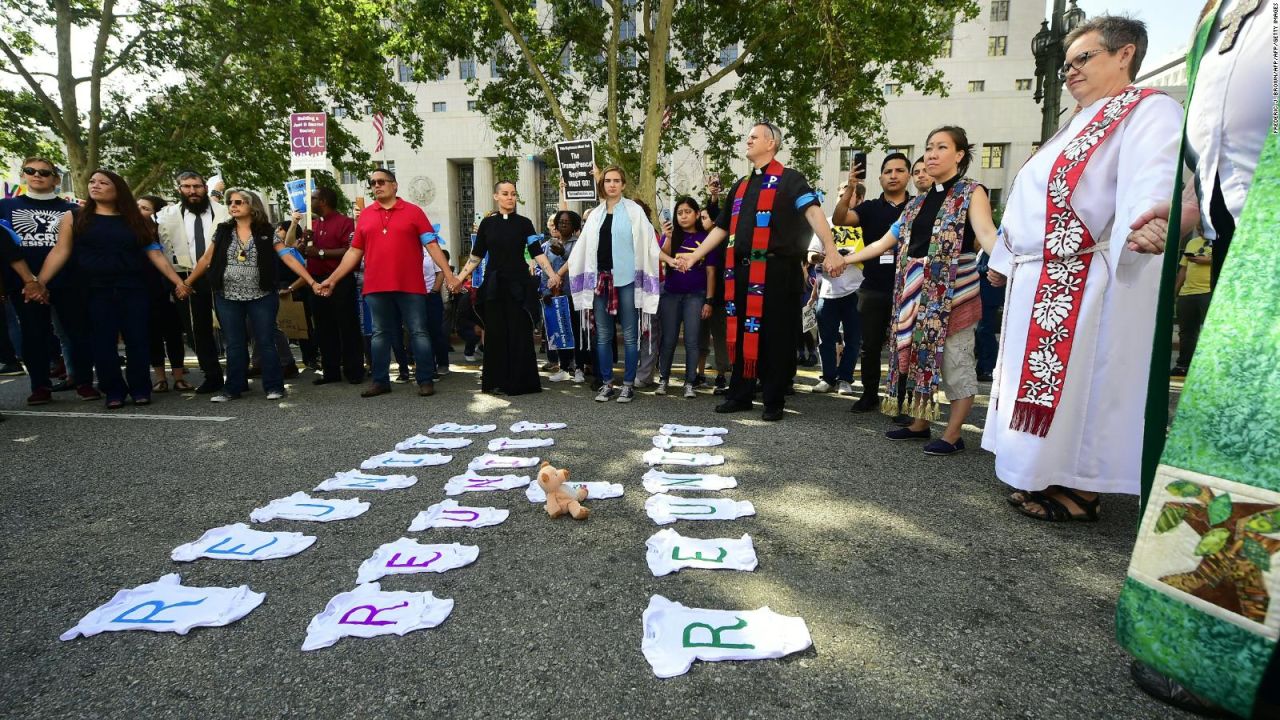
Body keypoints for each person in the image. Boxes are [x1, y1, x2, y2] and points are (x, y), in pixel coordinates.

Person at [1115, 3, 1280, 716]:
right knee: (1235, 453)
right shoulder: (1218, 18)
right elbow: (1219, 164)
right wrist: (1181, 214)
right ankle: (1224, 643)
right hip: (1240, 251)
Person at [981, 16, 1183, 517]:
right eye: (1066, 63)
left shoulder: (1146, 110)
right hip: (1040, 272)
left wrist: (1150, 220)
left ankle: (1082, 488)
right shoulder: (1074, 123)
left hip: (1085, 273)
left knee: (1083, 385)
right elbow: (1032, 197)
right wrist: (1006, 256)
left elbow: (1154, 171)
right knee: (1043, 384)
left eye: (1083, 59)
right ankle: (1042, 475)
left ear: (1125, 54)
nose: (1069, 71)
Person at [675, 123, 847, 421]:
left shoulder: (791, 180)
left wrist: (831, 249)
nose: (748, 140)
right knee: (741, 332)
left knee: (776, 337)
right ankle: (740, 394)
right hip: (741, 272)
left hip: (778, 271)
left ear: (771, 143)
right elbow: (721, 228)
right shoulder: (740, 186)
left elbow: (813, 212)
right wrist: (694, 258)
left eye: (754, 137)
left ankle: (773, 399)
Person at [843, 126, 999, 453]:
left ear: (959, 155)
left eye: (941, 147)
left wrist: (1005, 264)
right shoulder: (916, 204)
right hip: (915, 292)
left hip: (954, 291)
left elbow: (987, 235)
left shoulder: (972, 192)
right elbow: (884, 242)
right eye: (929, 147)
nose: (931, 154)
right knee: (917, 358)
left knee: (955, 361)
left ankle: (953, 435)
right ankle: (919, 423)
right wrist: (844, 260)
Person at [33, 170, 190, 408]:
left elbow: (154, 252)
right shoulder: (74, 217)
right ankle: (113, 390)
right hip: (93, 289)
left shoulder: (133, 219)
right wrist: (39, 282)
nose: (95, 186)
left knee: (138, 339)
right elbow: (60, 251)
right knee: (102, 342)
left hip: (133, 287)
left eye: (103, 182)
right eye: (92, 182)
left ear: (118, 190)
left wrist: (178, 282)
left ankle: (140, 388)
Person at [319, 167, 458, 398]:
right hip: (375, 286)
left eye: (382, 181)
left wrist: (449, 275)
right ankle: (380, 380)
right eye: (372, 183)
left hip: (410, 284)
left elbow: (431, 245)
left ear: (395, 185)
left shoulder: (414, 212)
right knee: (380, 334)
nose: (377, 185)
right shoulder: (365, 215)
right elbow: (354, 252)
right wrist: (332, 280)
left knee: (418, 332)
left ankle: (425, 379)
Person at [182, 189, 321, 402]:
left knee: (265, 340)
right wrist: (186, 284)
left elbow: (287, 257)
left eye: (239, 202)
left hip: (262, 296)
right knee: (234, 343)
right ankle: (233, 388)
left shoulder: (266, 231)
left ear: (251, 206)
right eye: (230, 202)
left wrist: (311, 281)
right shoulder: (223, 231)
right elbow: (206, 259)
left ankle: (274, 387)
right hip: (227, 296)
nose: (233, 205)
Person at [0, 157, 99, 405]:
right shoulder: (5, 207)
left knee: (77, 334)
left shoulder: (74, 209)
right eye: (31, 171)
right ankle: (40, 386)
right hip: (25, 285)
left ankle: (84, 382)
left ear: (55, 179)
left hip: (69, 282)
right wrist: (30, 281)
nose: (37, 175)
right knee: (34, 335)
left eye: (45, 172)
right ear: (23, 175)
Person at [450, 181, 561, 395]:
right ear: (496, 197)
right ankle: (496, 381)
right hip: (494, 285)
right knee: (496, 333)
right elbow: (476, 255)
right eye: (505, 193)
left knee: (520, 331)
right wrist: (459, 278)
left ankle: (522, 382)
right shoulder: (487, 225)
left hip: (518, 283)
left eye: (513, 194)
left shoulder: (525, 223)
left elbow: (537, 252)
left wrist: (552, 274)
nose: (510, 197)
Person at [568, 165, 661, 404]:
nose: (612, 184)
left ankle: (628, 385)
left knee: (630, 335)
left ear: (623, 184)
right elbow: (580, 249)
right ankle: (607, 384)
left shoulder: (634, 211)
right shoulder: (595, 215)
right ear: (602, 184)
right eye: (607, 180)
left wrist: (671, 259)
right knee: (603, 336)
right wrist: (556, 273)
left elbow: (650, 243)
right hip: (601, 280)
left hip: (627, 280)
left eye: (617, 180)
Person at [831, 152, 913, 413]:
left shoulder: (918, 206)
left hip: (909, 287)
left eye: (899, 170)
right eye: (888, 171)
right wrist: (850, 188)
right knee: (870, 346)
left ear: (908, 175)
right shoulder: (869, 208)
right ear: (880, 177)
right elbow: (839, 219)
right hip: (873, 287)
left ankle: (901, 397)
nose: (893, 175)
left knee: (905, 346)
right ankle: (869, 394)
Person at [156, 171, 229, 394]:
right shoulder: (167, 216)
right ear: (179, 189)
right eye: (186, 186)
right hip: (185, 278)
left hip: (220, 275)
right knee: (196, 330)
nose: (192, 191)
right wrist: (179, 282)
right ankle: (213, 375)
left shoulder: (224, 213)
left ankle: (236, 374)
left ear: (205, 188)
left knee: (231, 327)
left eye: (196, 186)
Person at [300, 186, 363, 385]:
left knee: (347, 326)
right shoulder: (313, 225)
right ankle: (331, 371)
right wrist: (305, 245)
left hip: (340, 280)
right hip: (317, 280)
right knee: (323, 328)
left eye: (313, 197)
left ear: (324, 201)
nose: (308, 201)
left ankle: (354, 371)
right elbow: (304, 252)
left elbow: (350, 251)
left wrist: (319, 252)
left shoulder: (345, 223)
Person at [808, 181, 865, 396]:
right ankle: (828, 377)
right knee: (826, 339)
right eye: (840, 193)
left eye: (848, 194)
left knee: (853, 339)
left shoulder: (864, 224)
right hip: (828, 292)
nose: (842, 197)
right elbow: (810, 254)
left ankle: (845, 379)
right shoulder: (827, 224)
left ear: (859, 199)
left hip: (857, 290)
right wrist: (826, 256)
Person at [655, 197, 715, 398]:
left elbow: (711, 272)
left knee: (692, 340)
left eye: (688, 211)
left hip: (696, 295)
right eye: (679, 213)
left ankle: (690, 382)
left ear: (697, 214)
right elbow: (662, 256)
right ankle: (663, 379)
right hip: (670, 294)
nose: (683, 216)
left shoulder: (706, 238)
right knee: (669, 339)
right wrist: (669, 237)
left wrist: (709, 300)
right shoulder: (672, 235)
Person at [137, 195, 192, 393]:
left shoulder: (167, 233)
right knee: (153, 334)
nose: (138, 211)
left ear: (156, 213)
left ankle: (178, 377)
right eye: (137, 206)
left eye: (144, 208)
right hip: (144, 288)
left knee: (173, 333)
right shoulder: (130, 231)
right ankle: (160, 378)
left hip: (169, 286)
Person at [542, 210, 585, 383]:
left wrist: (563, 253)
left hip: (573, 294)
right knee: (559, 332)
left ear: (574, 225)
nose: (563, 224)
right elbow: (545, 270)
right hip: (555, 296)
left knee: (576, 332)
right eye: (560, 222)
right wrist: (545, 292)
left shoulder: (578, 243)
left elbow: (578, 263)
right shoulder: (548, 246)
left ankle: (580, 368)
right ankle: (564, 367)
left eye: (567, 222)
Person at [695, 205, 730, 394]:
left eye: (704, 217)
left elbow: (714, 272)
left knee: (719, 336)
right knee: (700, 335)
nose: (701, 220)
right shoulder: (699, 239)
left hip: (719, 296)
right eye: (699, 217)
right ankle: (699, 374)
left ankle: (721, 374)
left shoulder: (722, 242)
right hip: (700, 294)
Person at [1169, 227, 1211, 377]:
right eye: (1199, 227)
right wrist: (1175, 291)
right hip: (1187, 293)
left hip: (1210, 291)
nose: (1201, 230)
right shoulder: (1192, 243)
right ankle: (1183, 365)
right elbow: (1183, 269)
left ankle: (1209, 368)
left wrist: (1205, 260)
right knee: (1186, 332)